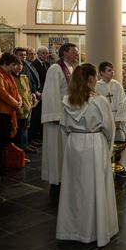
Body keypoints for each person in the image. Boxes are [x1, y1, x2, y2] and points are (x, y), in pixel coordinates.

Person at [56, 63, 118, 247]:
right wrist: (107, 147)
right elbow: (109, 128)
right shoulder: (99, 101)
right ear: (92, 78)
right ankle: (97, 230)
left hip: (74, 143)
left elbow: (64, 127)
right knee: (96, 187)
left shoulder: (68, 101)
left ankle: (73, 229)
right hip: (94, 144)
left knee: (75, 189)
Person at [41, 42, 78, 196]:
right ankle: (55, 184)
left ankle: (65, 180)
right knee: (56, 152)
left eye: (76, 52)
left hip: (68, 117)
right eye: (73, 52)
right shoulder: (55, 69)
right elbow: (50, 93)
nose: (76, 54)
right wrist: (55, 116)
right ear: (64, 53)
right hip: (57, 118)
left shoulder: (71, 69)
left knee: (64, 152)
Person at [0, 53, 22, 177]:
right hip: (1, 111)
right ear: (6, 63)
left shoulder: (7, 74)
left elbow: (15, 90)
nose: (14, 68)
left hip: (8, 111)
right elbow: (1, 93)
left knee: (5, 140)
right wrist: (16, 103)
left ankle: (2, 164)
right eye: (13, 65)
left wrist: (19, 100)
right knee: (0, 141)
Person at [96, 61, 126, 178]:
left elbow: (122, 102)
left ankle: (120, 166)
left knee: (120, 143)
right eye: (109, 70)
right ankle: (105, 167)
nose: (112, 72)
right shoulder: (97, 86)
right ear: (101, 73)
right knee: (105, 143)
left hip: (117, 118)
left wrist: (118, 119)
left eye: (112, 70)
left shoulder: (117, 85)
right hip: (104, 119)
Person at [12, 60, 34, 155]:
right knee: (18, 131)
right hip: (17, 108)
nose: (19, 66)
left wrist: (30, 103)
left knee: (25, 128)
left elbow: (28, 91)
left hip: (27, 107)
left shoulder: (24, 77)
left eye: (21, 65)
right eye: (17, 64)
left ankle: (24, 148)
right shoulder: (11, 77)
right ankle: (18, 152)